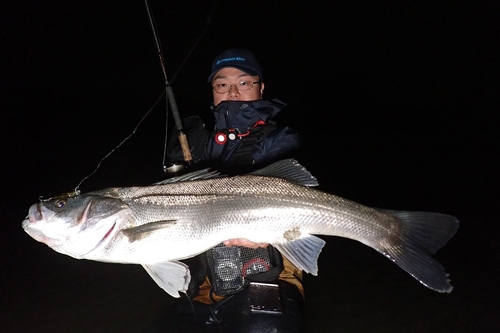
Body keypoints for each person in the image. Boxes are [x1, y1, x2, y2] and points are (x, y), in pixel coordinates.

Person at [160, 49, 305, 333]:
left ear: (261, 87)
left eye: (243, 82)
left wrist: (271, 229)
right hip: (203, 282)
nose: (233, 92)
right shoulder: (197, 140)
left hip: (268, 275)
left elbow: (297, 194)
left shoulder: (280, 138)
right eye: (222, 84)